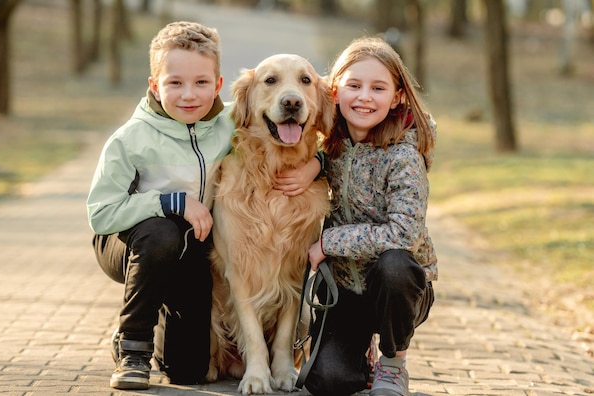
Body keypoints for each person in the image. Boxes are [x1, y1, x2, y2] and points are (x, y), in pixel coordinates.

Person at [87, 21, 320, 390]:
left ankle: (168, 323)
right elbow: (100, 213)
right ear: (154, 86)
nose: (189, 95)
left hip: (191, 249)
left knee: (190, 371)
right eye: (175, 83)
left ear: (218, 86)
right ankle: (132, 346)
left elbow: (301, 127)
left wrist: (316, 164)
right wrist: (171, 202)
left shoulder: (231, 121)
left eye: (200, 83)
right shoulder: (129, 139)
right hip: (128, 239)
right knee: (160, 234)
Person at [304, 36, 438, 396]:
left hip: (398, 288)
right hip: (345, 288)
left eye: (378, 88)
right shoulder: (326, 142)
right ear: (335, 91)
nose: (364, 97)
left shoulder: (403, 156)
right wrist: (314, 164)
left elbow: (404, 234)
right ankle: (358, 354)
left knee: (394, 264)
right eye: (354, 85)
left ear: (396, 97)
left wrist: (328, 242)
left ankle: (393, 363)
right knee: (328, 382)